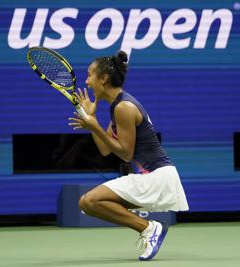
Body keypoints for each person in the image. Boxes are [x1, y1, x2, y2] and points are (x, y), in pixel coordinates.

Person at [68, 51, 189, 261]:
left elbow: (125, 153)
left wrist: (94, 125)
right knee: (90, 203)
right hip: (152, 176)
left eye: (89, 75)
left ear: (103, 78)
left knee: (89, 201)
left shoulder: (124, 107)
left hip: (156, 176)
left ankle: (149, 229)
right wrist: (92, 120)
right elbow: (107, 150)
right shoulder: (117, 106)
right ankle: (149, 229)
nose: (87, 82)